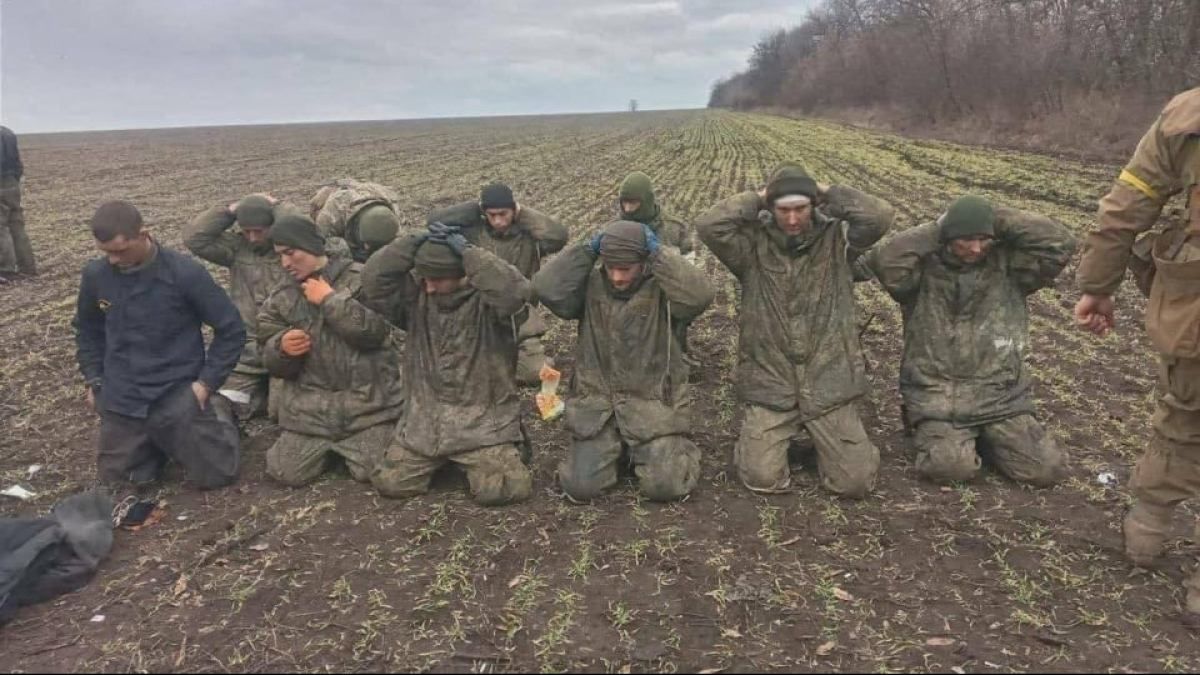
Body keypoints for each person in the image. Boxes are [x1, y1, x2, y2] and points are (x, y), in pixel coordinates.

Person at [1074, 87, 1200, 621]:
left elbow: (1126, 206)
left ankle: (1146, 529)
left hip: (1193, 305)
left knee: (1182, 410)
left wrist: (1097, 285)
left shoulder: (1187, 113)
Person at [696, 162, 893, 498]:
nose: (791, 219)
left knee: (855, 483)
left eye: (800, 208)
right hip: (773, 385)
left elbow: (879, 217)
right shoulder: (750, 248)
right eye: (783, 209)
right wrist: (759, 195)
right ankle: (777, 441)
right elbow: (709, 225)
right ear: (770, 209)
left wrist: (828, 190)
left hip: (828, 383)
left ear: (813, 205)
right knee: (760, 478)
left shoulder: (839, 241)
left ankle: (833, 444)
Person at [865, 195, 1076, 485]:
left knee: (1046, 471)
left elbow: (1061, 243)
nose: (976, 248)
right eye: (966, 239)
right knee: (949, 470)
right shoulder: (920, 272)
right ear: (948, 237)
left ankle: (989, 440)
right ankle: (945, 437)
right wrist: (941, 225)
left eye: (983, 239)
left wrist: (991, 217)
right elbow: (886, 258)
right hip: (938, 397)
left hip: (1000, 396)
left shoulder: (1012, 267)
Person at [534, 219, 714, 501]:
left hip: (652, 407)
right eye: (610, 267)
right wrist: (587, 250)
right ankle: (614, 452)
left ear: (643, 263)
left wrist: (659, 253)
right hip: (598, 410)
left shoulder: (664, 292)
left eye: (626, 269)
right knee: (580, 488)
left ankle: (678, 448)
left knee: (666, 486)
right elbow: (545, 287)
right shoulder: (588, 288)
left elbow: (701, 295)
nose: (617, 277)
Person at [73, 200, 243, 489]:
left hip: (175, 389)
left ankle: (218, 412)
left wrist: (206, 383)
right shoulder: (95, 276)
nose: (113, 260)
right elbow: (87, 330)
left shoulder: (185, 274)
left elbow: (231, 329)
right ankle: (154, 444)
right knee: (121, 483)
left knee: (218, 475)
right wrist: (94, 377)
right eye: (106, 253)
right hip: (123, 394)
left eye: (120, 250)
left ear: (144, 234)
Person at [361, 222, 533, 505]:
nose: (427, 287)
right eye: (423, 277)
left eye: (436, 279)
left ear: (461, 274)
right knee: (390, 483)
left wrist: (469, 253)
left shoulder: (491, 306)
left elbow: (516, 291)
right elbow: (372, 280)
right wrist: (412, 241)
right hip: (426, 428)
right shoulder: (413, 300)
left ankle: (503, 450)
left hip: (482, 428)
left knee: (503, 489)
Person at [255, 214, 404, 486]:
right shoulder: (281, 297)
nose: (285, 263)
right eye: (280, 256)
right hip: (309, 416)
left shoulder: (363, 280)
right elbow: (267, 355)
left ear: (311, 247)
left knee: (380, 471)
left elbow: (375, 333)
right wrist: (281, 348)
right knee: (285, 473)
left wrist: (329, 300)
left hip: (368, 410)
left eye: (291, 253)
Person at [430, 182, 568, 385]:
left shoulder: (528, 237)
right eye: (491, 215)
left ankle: (528, 359)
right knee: (460, 374)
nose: (498, 221)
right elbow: (433, 222)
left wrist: (523, 213)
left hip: (519, 319)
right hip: (480, 316)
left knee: (532, 373)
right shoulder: (474, 234)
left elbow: (559, 236)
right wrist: (473, 208)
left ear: (514, 210)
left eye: (504, 214)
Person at [184, 194, 296, 419]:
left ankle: (271, 398)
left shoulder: (293, 252)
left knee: (285, 412)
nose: (253, 238)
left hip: (287, 350)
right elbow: (194, 237)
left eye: (259, 231)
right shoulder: (236, 250)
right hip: (248, 353)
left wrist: (278, 207)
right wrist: (230, 210)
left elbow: (308, 231)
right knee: (222, 403)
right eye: (247, 231)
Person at [309, 178, 402, 263]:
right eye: (369, 245)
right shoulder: (331, 213)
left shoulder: (393, 210)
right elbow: (318, 245)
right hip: (332, 199)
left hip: (362, 190)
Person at [0, 125, 35, 282]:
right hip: (12, 182)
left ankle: (5, 269)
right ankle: (27, 267)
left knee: (1, 227)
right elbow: (17, 162)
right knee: (16, 225)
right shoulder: (8, 132)